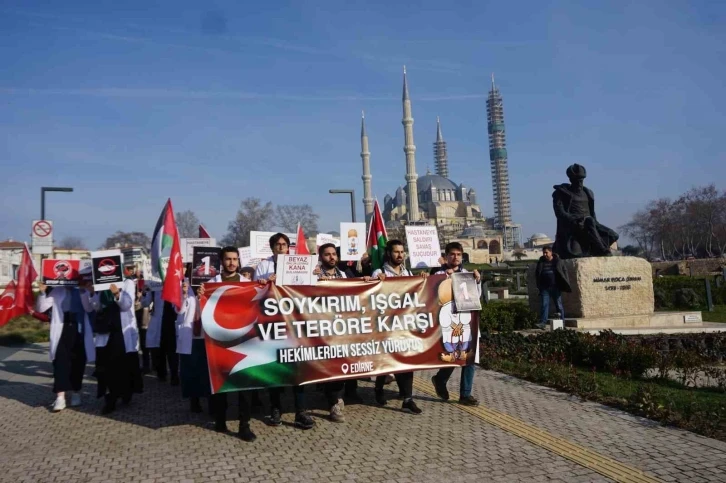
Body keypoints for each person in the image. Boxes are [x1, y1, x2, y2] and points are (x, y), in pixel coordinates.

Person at [253, 233, 315, 430]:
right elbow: (254, 290)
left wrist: (315, 274)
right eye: (278, 245)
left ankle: (301, 411)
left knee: (298, 368)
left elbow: (310, 287)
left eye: (285, 244)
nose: (281, 247)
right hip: (273, 323)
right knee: (276, 369)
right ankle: (275, 409)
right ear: (272, 248)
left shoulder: (299, 263)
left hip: (295, 323)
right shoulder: (263, 266)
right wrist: (264, 281)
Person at [198, 246, 258, 442]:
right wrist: (198, 295)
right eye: (228, 259)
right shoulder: (210, 284)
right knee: (220, 383)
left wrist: (266, 286)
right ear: (221, 261)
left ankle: (244, 425)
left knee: (244, 385)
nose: (232, 263)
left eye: (235, 259)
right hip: (218, 340)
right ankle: (220, 420)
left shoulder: (248, 284)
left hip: (243, 339)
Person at [371, 239, 426, 415]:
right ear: (389, 254)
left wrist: (422, 279)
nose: (400, 255)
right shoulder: (379, 272)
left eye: (402, 252)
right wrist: (378, 282)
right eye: (396, 252)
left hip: (404, 325)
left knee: (406, 360)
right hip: (386, 325)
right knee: (387, 361)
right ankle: (379, 388)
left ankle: (408, 399)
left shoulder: (408, 272)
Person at [429, 242, 481, 407]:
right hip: (447, 320)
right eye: (452, 254)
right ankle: (440, 379)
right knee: (453, 354)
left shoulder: (466, 274)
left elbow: (476, 298)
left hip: (465, 319)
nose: (456, 257)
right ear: (446, 256)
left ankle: (465, 394)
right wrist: (445, 276)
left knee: (469, 356)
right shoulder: (438, 273)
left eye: (458, 254)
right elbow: (431, 291)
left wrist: (477, 281)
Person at [83, 278, 142, 414]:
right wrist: (92, 293)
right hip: (105, 331)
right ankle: (110, 399)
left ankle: (125, 393)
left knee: (121, 366)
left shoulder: (127, 283)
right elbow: (96, 307)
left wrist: (117, 294)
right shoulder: (101, 283)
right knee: (107, 368)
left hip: (121, 332)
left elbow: (127, 304)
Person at [35, 282, 95, 412]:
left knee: (78, 362)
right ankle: (60, 397)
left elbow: (89, 308)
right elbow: (41, 308)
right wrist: (42, 292)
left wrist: (85, 291)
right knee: (60, 362)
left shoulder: (81, 290)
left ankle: (76, 392)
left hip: (79, 328)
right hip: (62, 329)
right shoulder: (57, 290)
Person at [552, 163, 619, 259]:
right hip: (573, 227)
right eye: (577, 181)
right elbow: (559, 213)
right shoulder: (560, 193)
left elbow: (592, 213)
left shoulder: (588, 193)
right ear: (571, 180)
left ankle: (596, 248)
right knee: (576, 252)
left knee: (613, 235)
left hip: (590, 225)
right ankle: (602, 249)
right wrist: (576, 218)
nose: (580, 183)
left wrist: (596, 224)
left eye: (581, 180)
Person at [176, 279, 211, 415]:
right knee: (191, 371)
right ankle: (194, 401)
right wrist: (184, 294)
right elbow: (178, 310)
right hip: (190, 336)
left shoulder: (213, 282)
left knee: (207, 371)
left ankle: (211, 401)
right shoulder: (184, 284)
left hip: (207, 334)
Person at [535, 246, 571, 328]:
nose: (545, 254)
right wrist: (539, 285)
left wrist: (565, 282)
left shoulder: (557, 261)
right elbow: (537, 274)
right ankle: (543, 323)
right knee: (544, 304)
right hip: (545, 288)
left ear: (551, 252)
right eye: (543, 253)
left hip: (555, 287)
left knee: (559, 305)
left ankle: (562, 322)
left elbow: (564, 271)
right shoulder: (541, 262)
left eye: (546, 252)